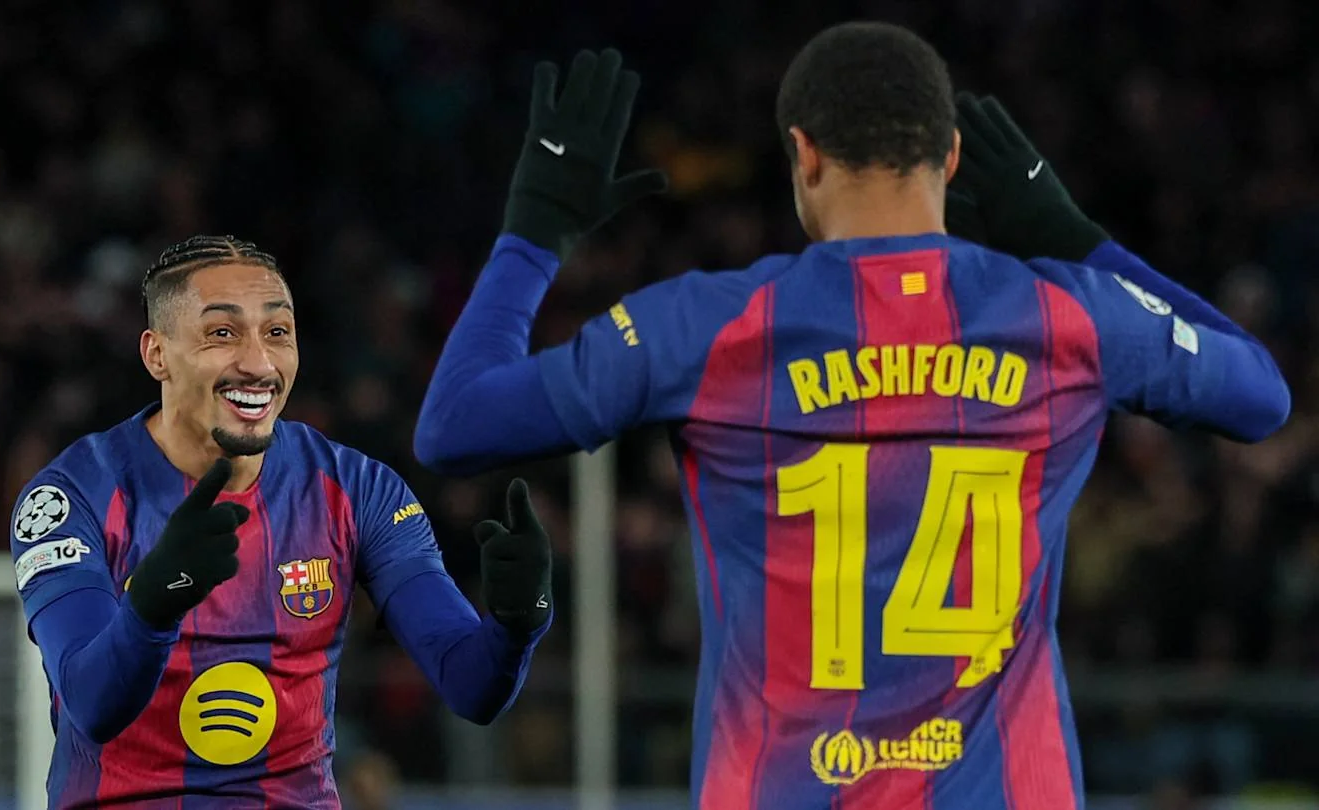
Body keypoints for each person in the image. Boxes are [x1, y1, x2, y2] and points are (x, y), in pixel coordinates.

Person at [412, 24, 1290, 810]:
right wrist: (1074, 237)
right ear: (951, 157)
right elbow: (1262, 395)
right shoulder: (1070, 318)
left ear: (804, 154)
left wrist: (535, 234)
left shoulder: (709, 327)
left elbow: (452, 425)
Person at [9, 235, 554, 809]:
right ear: (157, 354)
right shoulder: (71, 498)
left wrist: (518, 625)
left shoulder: (357, 490)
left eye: (277, 332)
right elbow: (92, 705)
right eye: (222, 334)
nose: (258, 363)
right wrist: (152, 604)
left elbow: (472, 687)